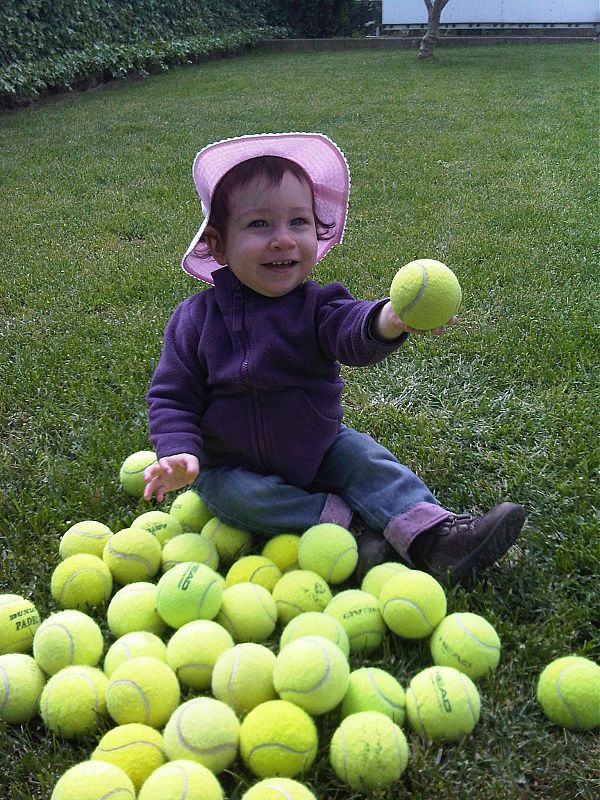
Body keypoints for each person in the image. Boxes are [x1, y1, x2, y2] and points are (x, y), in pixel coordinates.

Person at [144, 132, 525, 584]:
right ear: (219, 244)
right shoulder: (195, 320)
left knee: (368, 462)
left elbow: (353, 327)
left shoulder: (317, 306)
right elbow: (172, 395)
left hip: (319, 446)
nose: (284, 240)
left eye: (299, 222)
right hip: (232, 463)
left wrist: (389, 318)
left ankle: (436, 537)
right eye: (260, 225)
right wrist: (182, 454)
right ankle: (352, 529)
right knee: (231, 496)